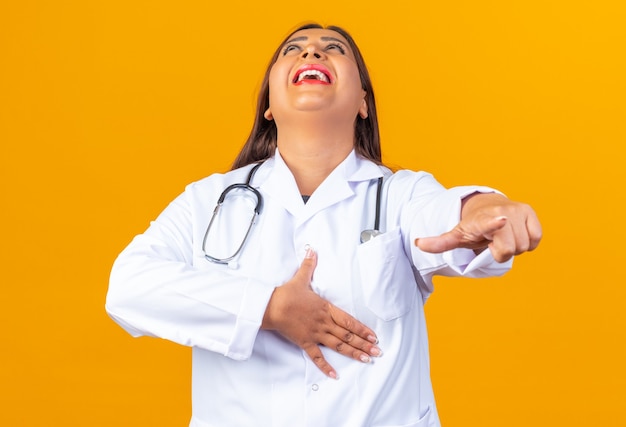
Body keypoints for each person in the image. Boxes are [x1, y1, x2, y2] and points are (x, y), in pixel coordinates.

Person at [106, 23, 541, 427]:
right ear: (269, 106)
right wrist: (269, 308)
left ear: (363, 102)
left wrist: (485, 209)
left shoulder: (400, 194)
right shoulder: (210, 201)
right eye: (292, 50)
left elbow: (445, 216)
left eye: (333, 49)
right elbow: (128, 287)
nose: (311, 51)